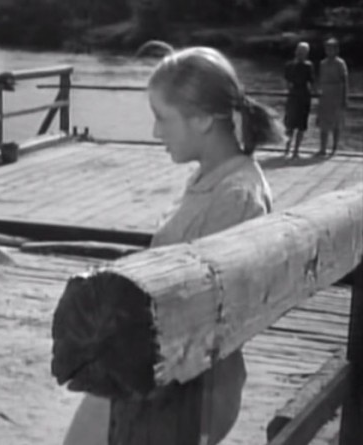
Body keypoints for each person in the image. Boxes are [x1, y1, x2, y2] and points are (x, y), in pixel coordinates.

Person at [63, 46, 283, 445]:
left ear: (203, 119)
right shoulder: (215, 178)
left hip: (189, 391)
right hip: (166, 374)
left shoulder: (235, 196)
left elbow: (205, 315)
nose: (155, 132)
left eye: (163, 118)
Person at [316, 37, 349, 156]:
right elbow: (320, 80)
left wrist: (344, 98)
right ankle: (322, 148)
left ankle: (334, 148)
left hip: (336, 95)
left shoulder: (340, 63)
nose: (329, 51)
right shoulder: (323, 63)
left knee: (336, 123)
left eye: (331, 49)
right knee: (323, 123)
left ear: (336, 50)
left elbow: (344, 81)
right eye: (327, 48)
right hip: (325, 95)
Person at [283, 41, 315, 158]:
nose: (300, 54)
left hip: (304, 96)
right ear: (296, 51)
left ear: (306, 54)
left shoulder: (308, 66)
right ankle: (287, 149)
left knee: (301, 125)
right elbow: (286, 81)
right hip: (293, 96)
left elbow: (311, 81)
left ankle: (296, 150)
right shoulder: (289, 65)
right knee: (289, 125)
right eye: (299, 51)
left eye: (303, 52)